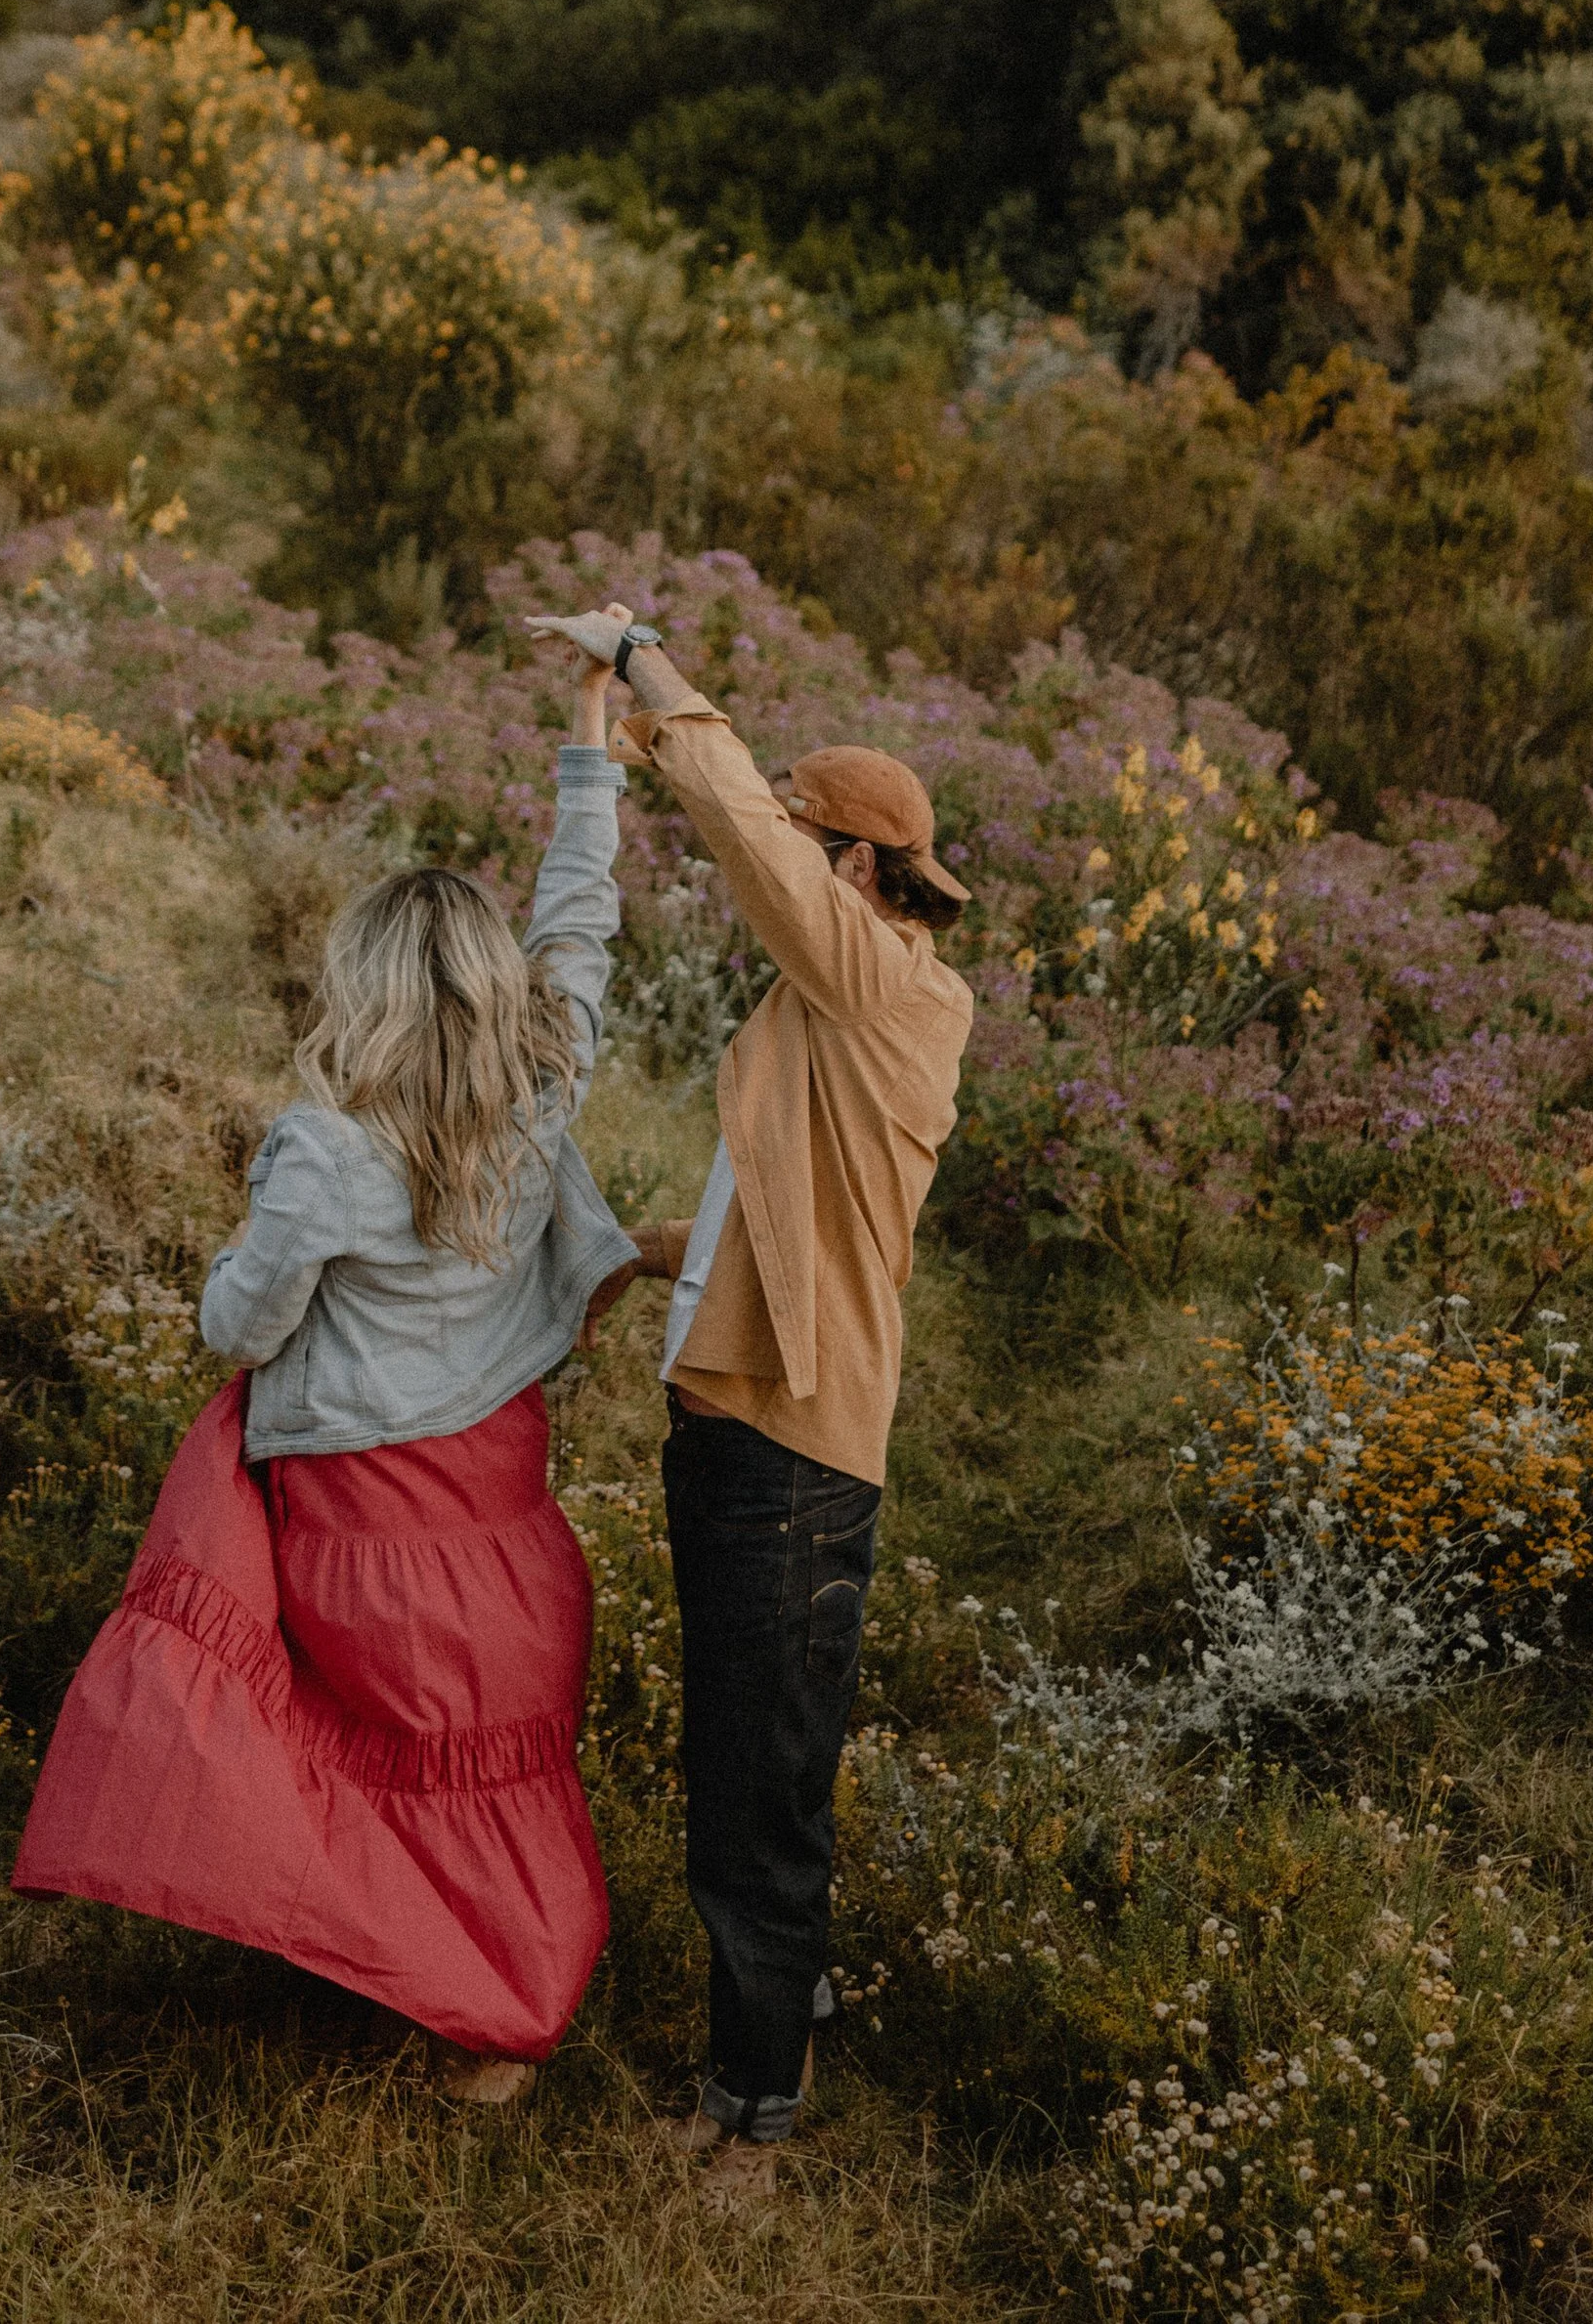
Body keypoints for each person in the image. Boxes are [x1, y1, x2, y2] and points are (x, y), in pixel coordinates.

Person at [11, 610, 641, 2095]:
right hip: (506, 1527)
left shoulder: (326, 1147)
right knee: (486, 1768)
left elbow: (244, 1324)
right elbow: (582, 926)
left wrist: (242, 1273)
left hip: (365, 1533)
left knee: (345, 1750)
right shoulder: (543, 1091)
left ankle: (428, 1981)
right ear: (496, 993)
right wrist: (591, 749)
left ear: (362, 991)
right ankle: (484, 2009)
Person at [528, 604, 974, 2199]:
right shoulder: (828, 1011)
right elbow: (766, 1206)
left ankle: (758, 2110)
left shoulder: (889, 990)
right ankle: (764, 2035)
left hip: (793, 1457)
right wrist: (628, 1249)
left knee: (766, 1784)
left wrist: (642, 653)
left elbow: (741, 829)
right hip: (736, 1435)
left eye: (805, 845)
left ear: (852, 867)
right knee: (738, 1763)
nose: (780, 868)